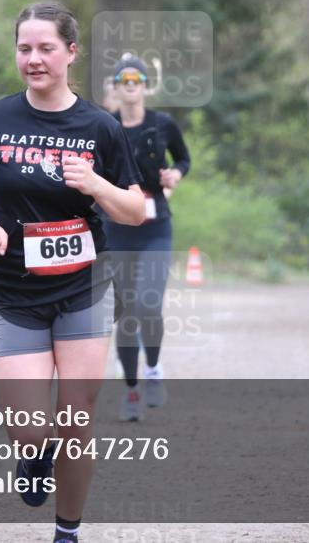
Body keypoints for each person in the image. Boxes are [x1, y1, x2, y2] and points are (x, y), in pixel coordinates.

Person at [0, 3, 144, 543]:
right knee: (27, 426)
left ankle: (68, 531)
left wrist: (95, 185)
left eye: (45, 49)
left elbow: (133, 210)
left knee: (77, 418)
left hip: (83, 288)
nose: (33, 59)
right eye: (24, 49)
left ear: (70, 53)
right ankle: (35, 452)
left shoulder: (99, 126)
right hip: (16, 292)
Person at [103, 53, 191, 422]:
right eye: (123, 81)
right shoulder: (104, 125)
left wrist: (175, 176)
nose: (130, 87)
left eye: (136, 81)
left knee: (148, 304)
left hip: (155, 227)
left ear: (144, 86)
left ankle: (153, 369)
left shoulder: (162, 123)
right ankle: (132, 389)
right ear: (115, 87)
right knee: (125, 314)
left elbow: (184, 160)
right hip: (117, 228)